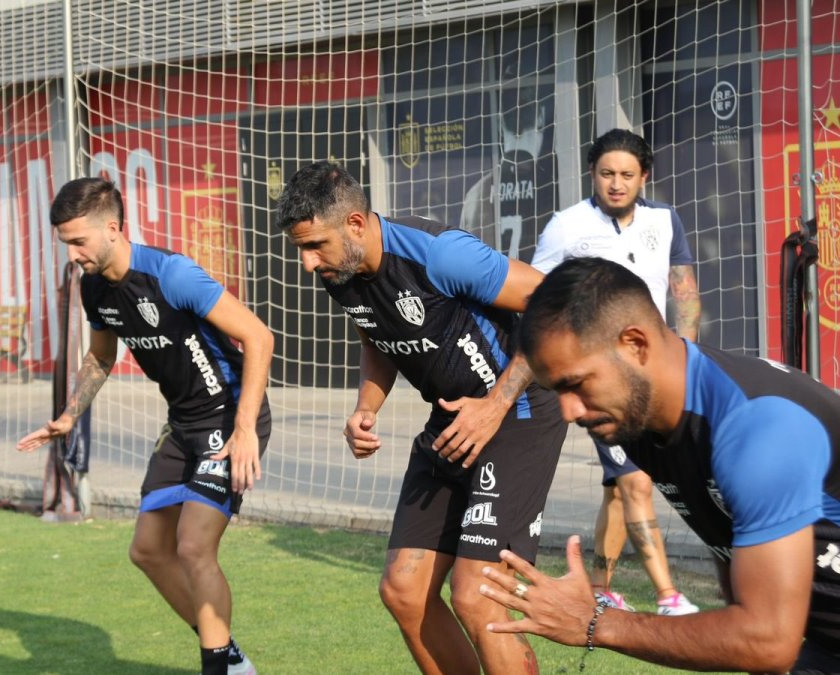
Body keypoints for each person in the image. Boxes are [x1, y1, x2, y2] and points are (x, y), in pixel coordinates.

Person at [275, 161, 567, 675]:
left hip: (517, 411)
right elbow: (376, 335)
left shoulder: (438, 253)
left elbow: (557, 303)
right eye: (301, 248)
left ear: (356, 226)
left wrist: (495, 404)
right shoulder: (339, 272)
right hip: (451, 421)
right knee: (404, 592)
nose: (307, 262)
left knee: (477, 596)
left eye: (314, 245)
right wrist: (366, 408)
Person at [480, 256, 840, 673]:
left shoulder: (756, 430)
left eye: (575, 384)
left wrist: (594, 622)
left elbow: (766, 638)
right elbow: (732, 553)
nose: (568, 411)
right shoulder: (644, 424)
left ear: (635, 344)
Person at [17, 178, 271, 675]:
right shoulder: (93, 286)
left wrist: (244, 430)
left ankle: (218, 667)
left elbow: (259, 337)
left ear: (112, 228)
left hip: (229, 415)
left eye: (78, 241)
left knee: (194, 546)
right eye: (65, 243)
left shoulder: (172, 275)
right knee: (149, 551)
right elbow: (100, 356)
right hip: (183, 425)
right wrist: (70, 414)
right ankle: (231, 656)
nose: (72, 254)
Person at [530, 128, 701, 616]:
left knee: (618, 487)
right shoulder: (566, 226)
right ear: (592, 174)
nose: (616, 183)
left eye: (627, 174)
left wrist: (684, 352)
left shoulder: (666, 220)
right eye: (607, 173)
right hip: (599, 380)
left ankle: (600, 589)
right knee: (637, 481)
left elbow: (685, 293)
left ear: (644, 176)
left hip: (654, 372)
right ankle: (668, 596)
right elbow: (535, 294)